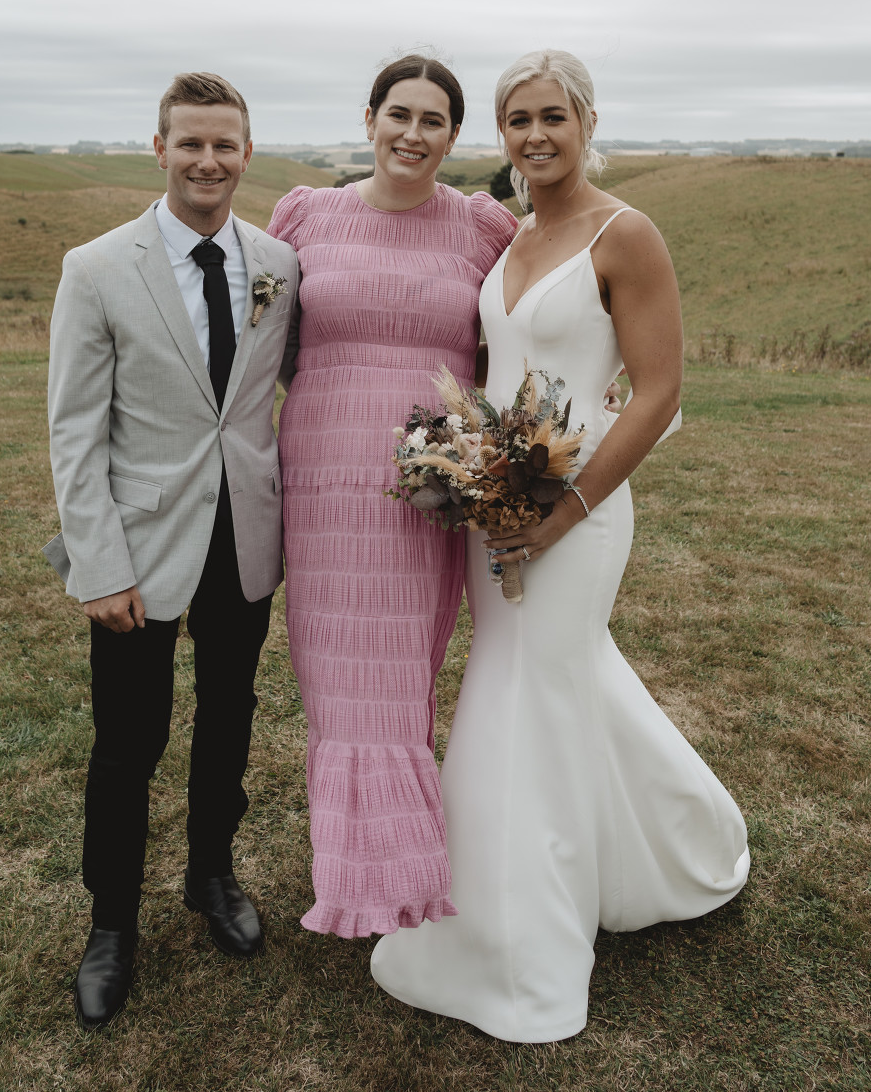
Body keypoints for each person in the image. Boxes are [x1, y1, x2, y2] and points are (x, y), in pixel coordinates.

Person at [371, 50, 749, 1042]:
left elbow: (657, 392)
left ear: (585, 123)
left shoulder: (626, 234)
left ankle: (511, 944)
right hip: (495, 504)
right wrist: (469, 473)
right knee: (544, 681)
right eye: (517, 119)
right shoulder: (515, 234)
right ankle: (671, 838)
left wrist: (563, 509)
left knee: (526, 693)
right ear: (501, 134)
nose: (534, 135)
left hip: (580, 511)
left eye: (551, 116)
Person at [43, 71, 299, 1031]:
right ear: (160, 149)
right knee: (128, 742)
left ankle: (211, 875)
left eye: (224, 144)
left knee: (229, 717)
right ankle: (111, 923)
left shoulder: (279, 263)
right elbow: (75, 433)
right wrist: (97, 566)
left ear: (246, 152)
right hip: (140, 545)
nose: (207, 160)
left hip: (246, 533)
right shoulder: (96, 267)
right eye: (190, 142)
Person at [267, 54, 517, 938]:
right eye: (398, 114)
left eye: (432, 120)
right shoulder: (305, 215)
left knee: (399, 675)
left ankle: (405, 877)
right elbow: (267, 343)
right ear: (368, 119)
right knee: (334, 680)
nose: (412, 134)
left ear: (453, 136)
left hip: (426, 491)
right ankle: (355, 876)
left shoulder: (481, 228)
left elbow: (520, 336)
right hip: (320, 480)